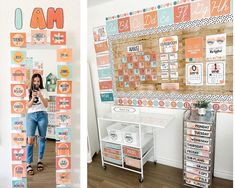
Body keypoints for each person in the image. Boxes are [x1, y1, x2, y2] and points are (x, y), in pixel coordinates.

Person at [26, 73, 49, 175]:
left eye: (38, 81)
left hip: (42, 115)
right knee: (30, 139)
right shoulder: (28, 91)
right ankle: (28, 163)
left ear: (40, 82)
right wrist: (32, 97)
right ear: (32, 81)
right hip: (31, 116)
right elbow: (28, 106)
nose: (36, 83)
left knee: (42, 138)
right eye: (34, 81)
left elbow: (46, 105)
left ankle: (40, 160)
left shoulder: (44, 91)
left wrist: (40, 95)